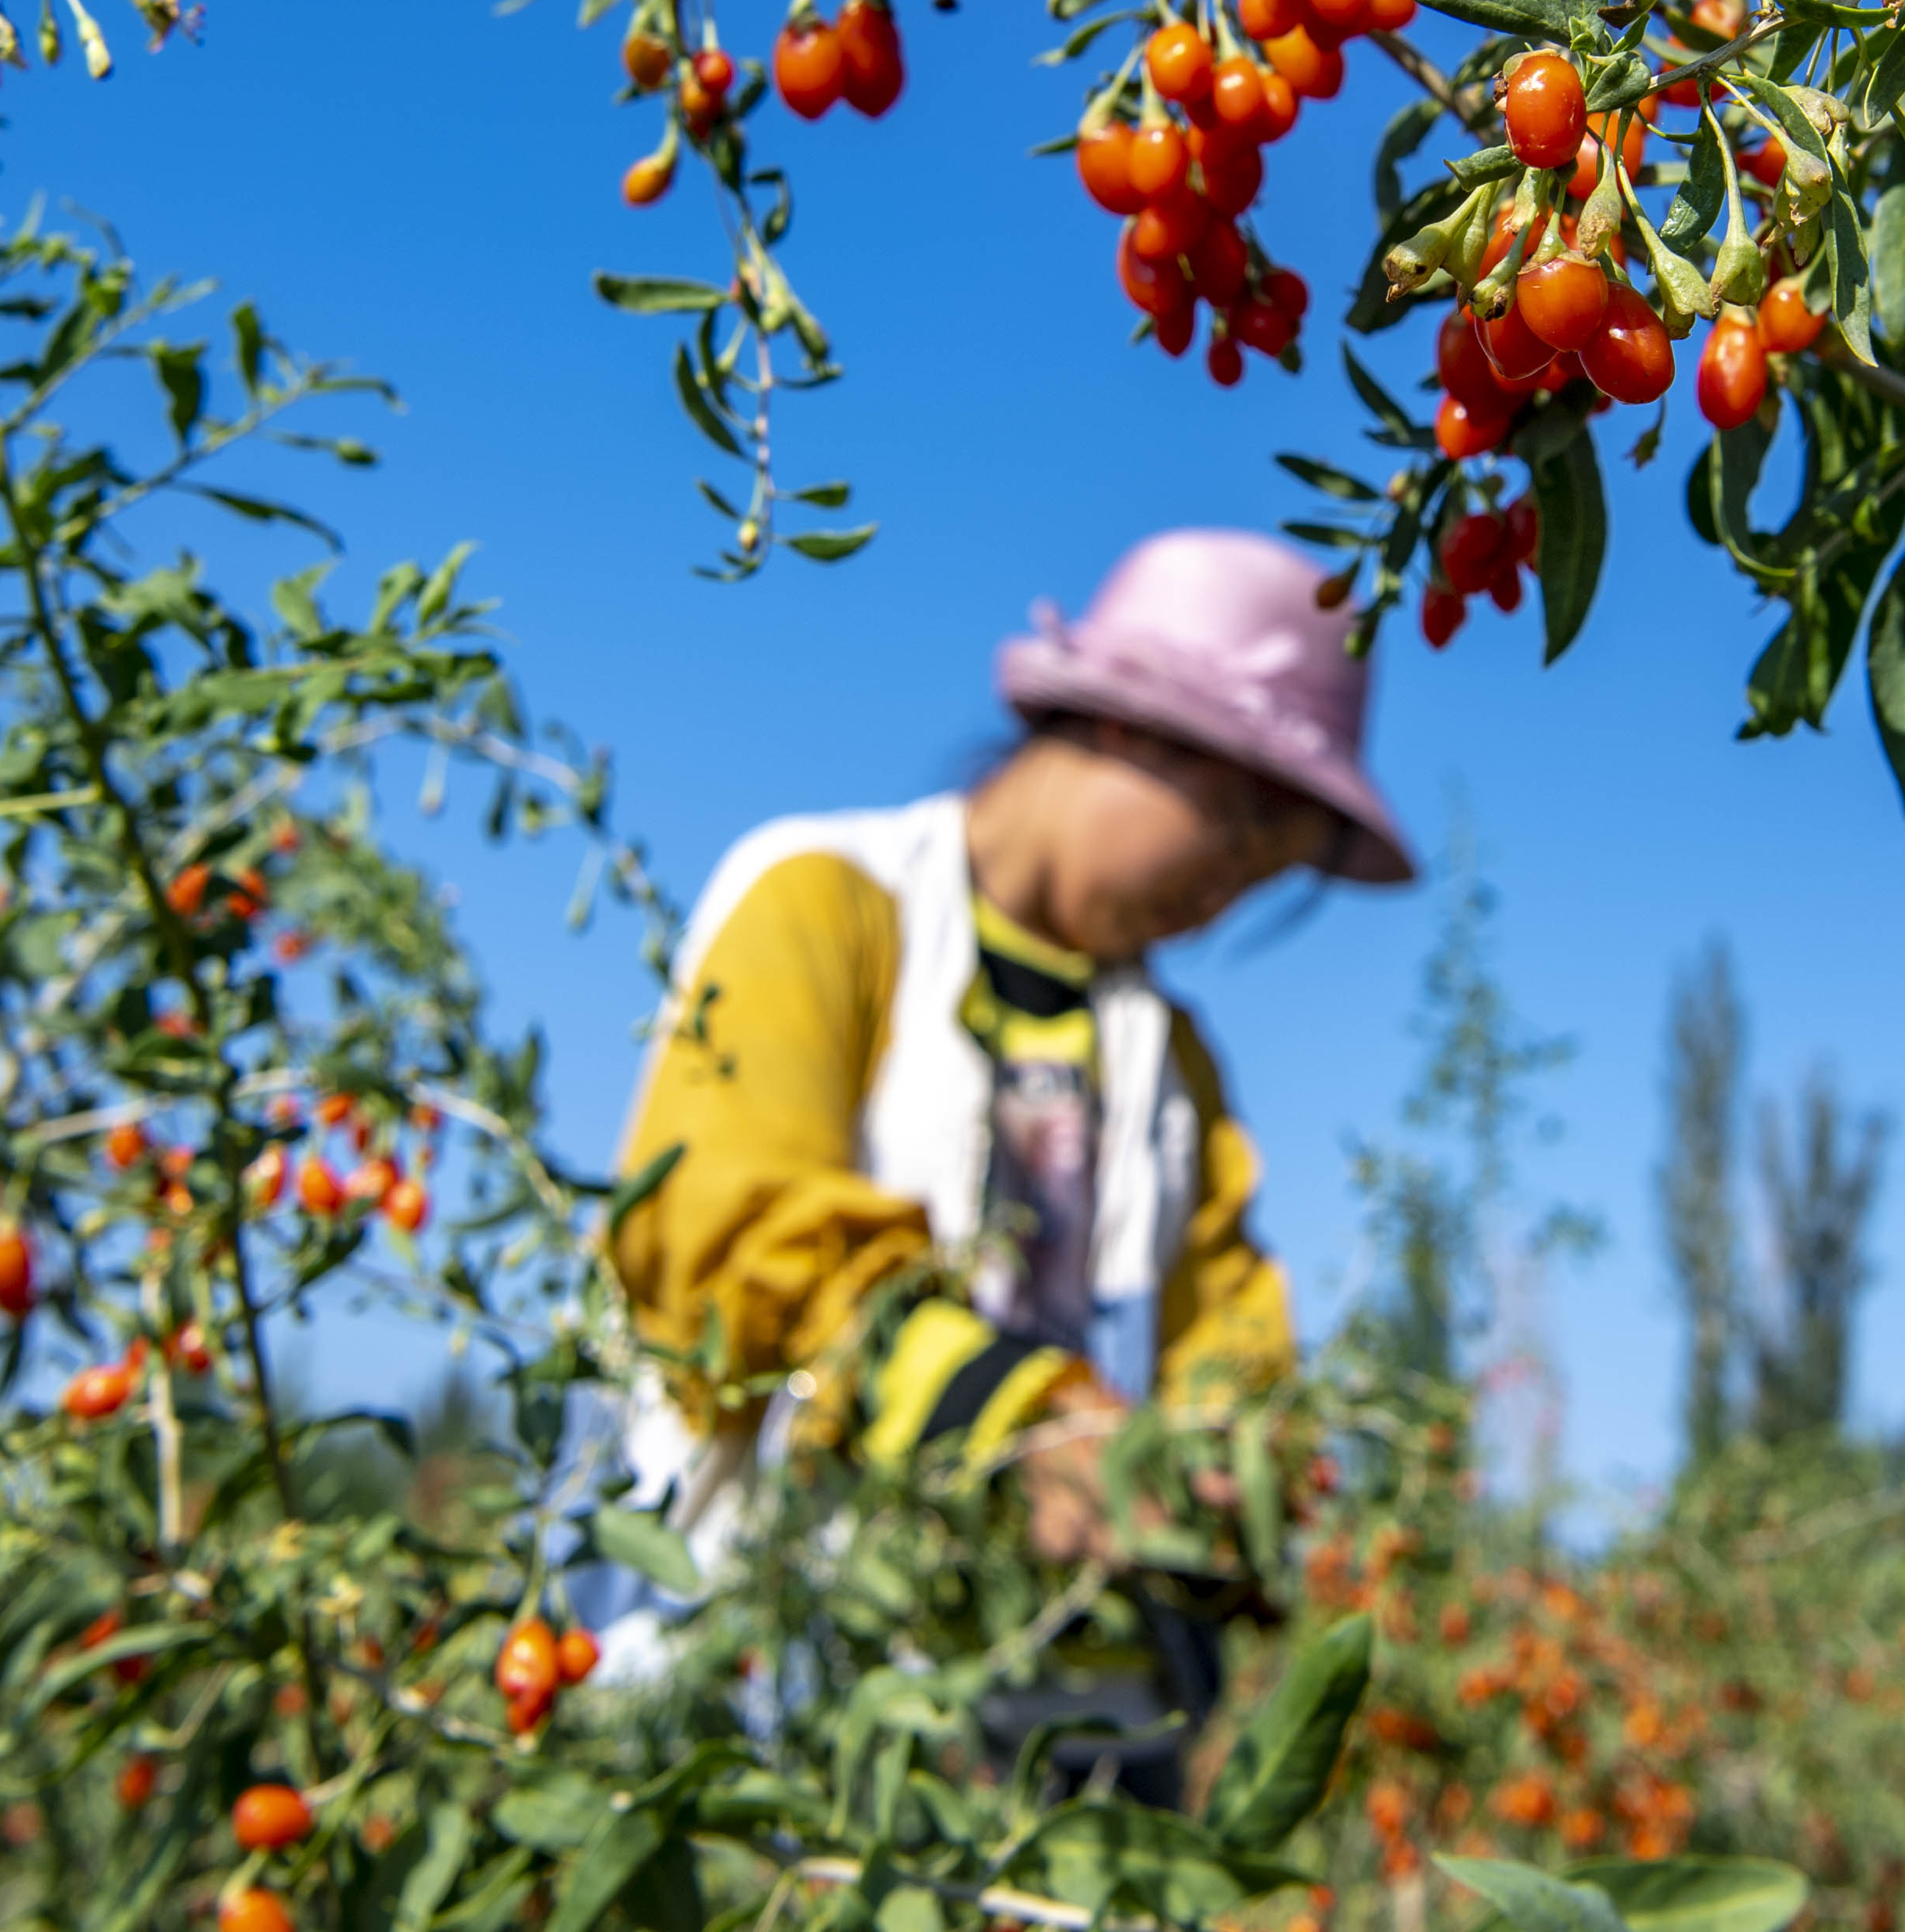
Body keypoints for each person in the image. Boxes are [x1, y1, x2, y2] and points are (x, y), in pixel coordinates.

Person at [597, 527, 1410, 1796]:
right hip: (779, 1684)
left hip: (1079, 1744)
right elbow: (723, 1227)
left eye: (1276, 870)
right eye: (1244, 833)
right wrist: (1024, 1430)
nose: (1232, 895)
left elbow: (1230, 1340)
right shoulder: (828, 902)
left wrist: (1218, 1480)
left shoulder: (1174, 1066)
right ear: (1135, 727)